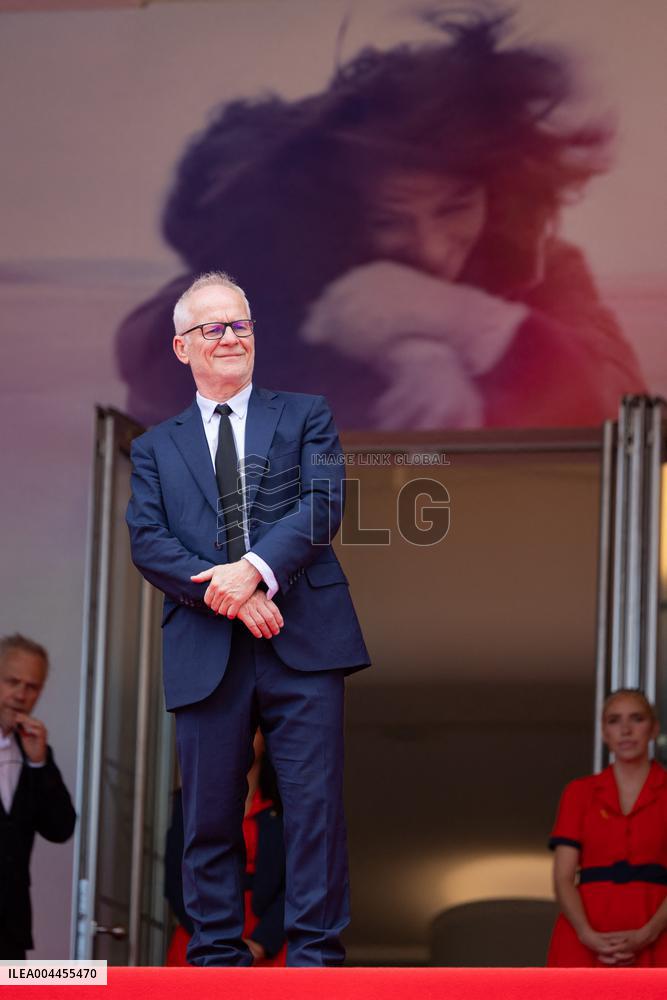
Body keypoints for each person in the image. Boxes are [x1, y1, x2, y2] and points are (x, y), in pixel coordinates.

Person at [116, 12, 645, 431]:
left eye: (455, 208)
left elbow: (620, 423)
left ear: (497, 195)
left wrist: (466, 323)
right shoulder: (281, 259)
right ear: (345, 208)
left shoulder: (545, 269)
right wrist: (397, 349)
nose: (431, 248)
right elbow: (159, 359)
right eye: (390, 220)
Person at [125, 271, 370, 966]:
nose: (231, 337)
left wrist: (253, 569)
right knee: (207, 816)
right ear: (182, 348)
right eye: (214, 327)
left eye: (241, 325)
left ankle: (315, 956)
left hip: (306, 640)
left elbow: (322, 503)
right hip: (207, 645)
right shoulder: (152, 448)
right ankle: (214, 960)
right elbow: (149, 542)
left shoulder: (305, 415)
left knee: (313, 809)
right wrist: (230, 594)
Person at [547, 688, 667, 967]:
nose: (625, 729)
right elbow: (563, 877)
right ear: (603, 732)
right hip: (585, 934)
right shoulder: (579, 793)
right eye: (614, 720)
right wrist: (586, 934)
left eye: (636, 718)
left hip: (658, 930)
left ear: (654, 729)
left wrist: (649, 933)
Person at [165, 730, 287, 966]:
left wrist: (262, 942)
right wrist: (212, 937)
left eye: (253, 727)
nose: (243, 732)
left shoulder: (284, 809)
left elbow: (296, 884)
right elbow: (176, 880)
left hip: (266, 942)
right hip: (201, 932)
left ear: (266, 740)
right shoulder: (190, 803)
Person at [0, 633, 76, 960]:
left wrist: (38, 762)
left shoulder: (32, 749)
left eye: (32, 687)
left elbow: (60, 828)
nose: (21, 694)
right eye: (12, 681)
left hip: (9, 932)